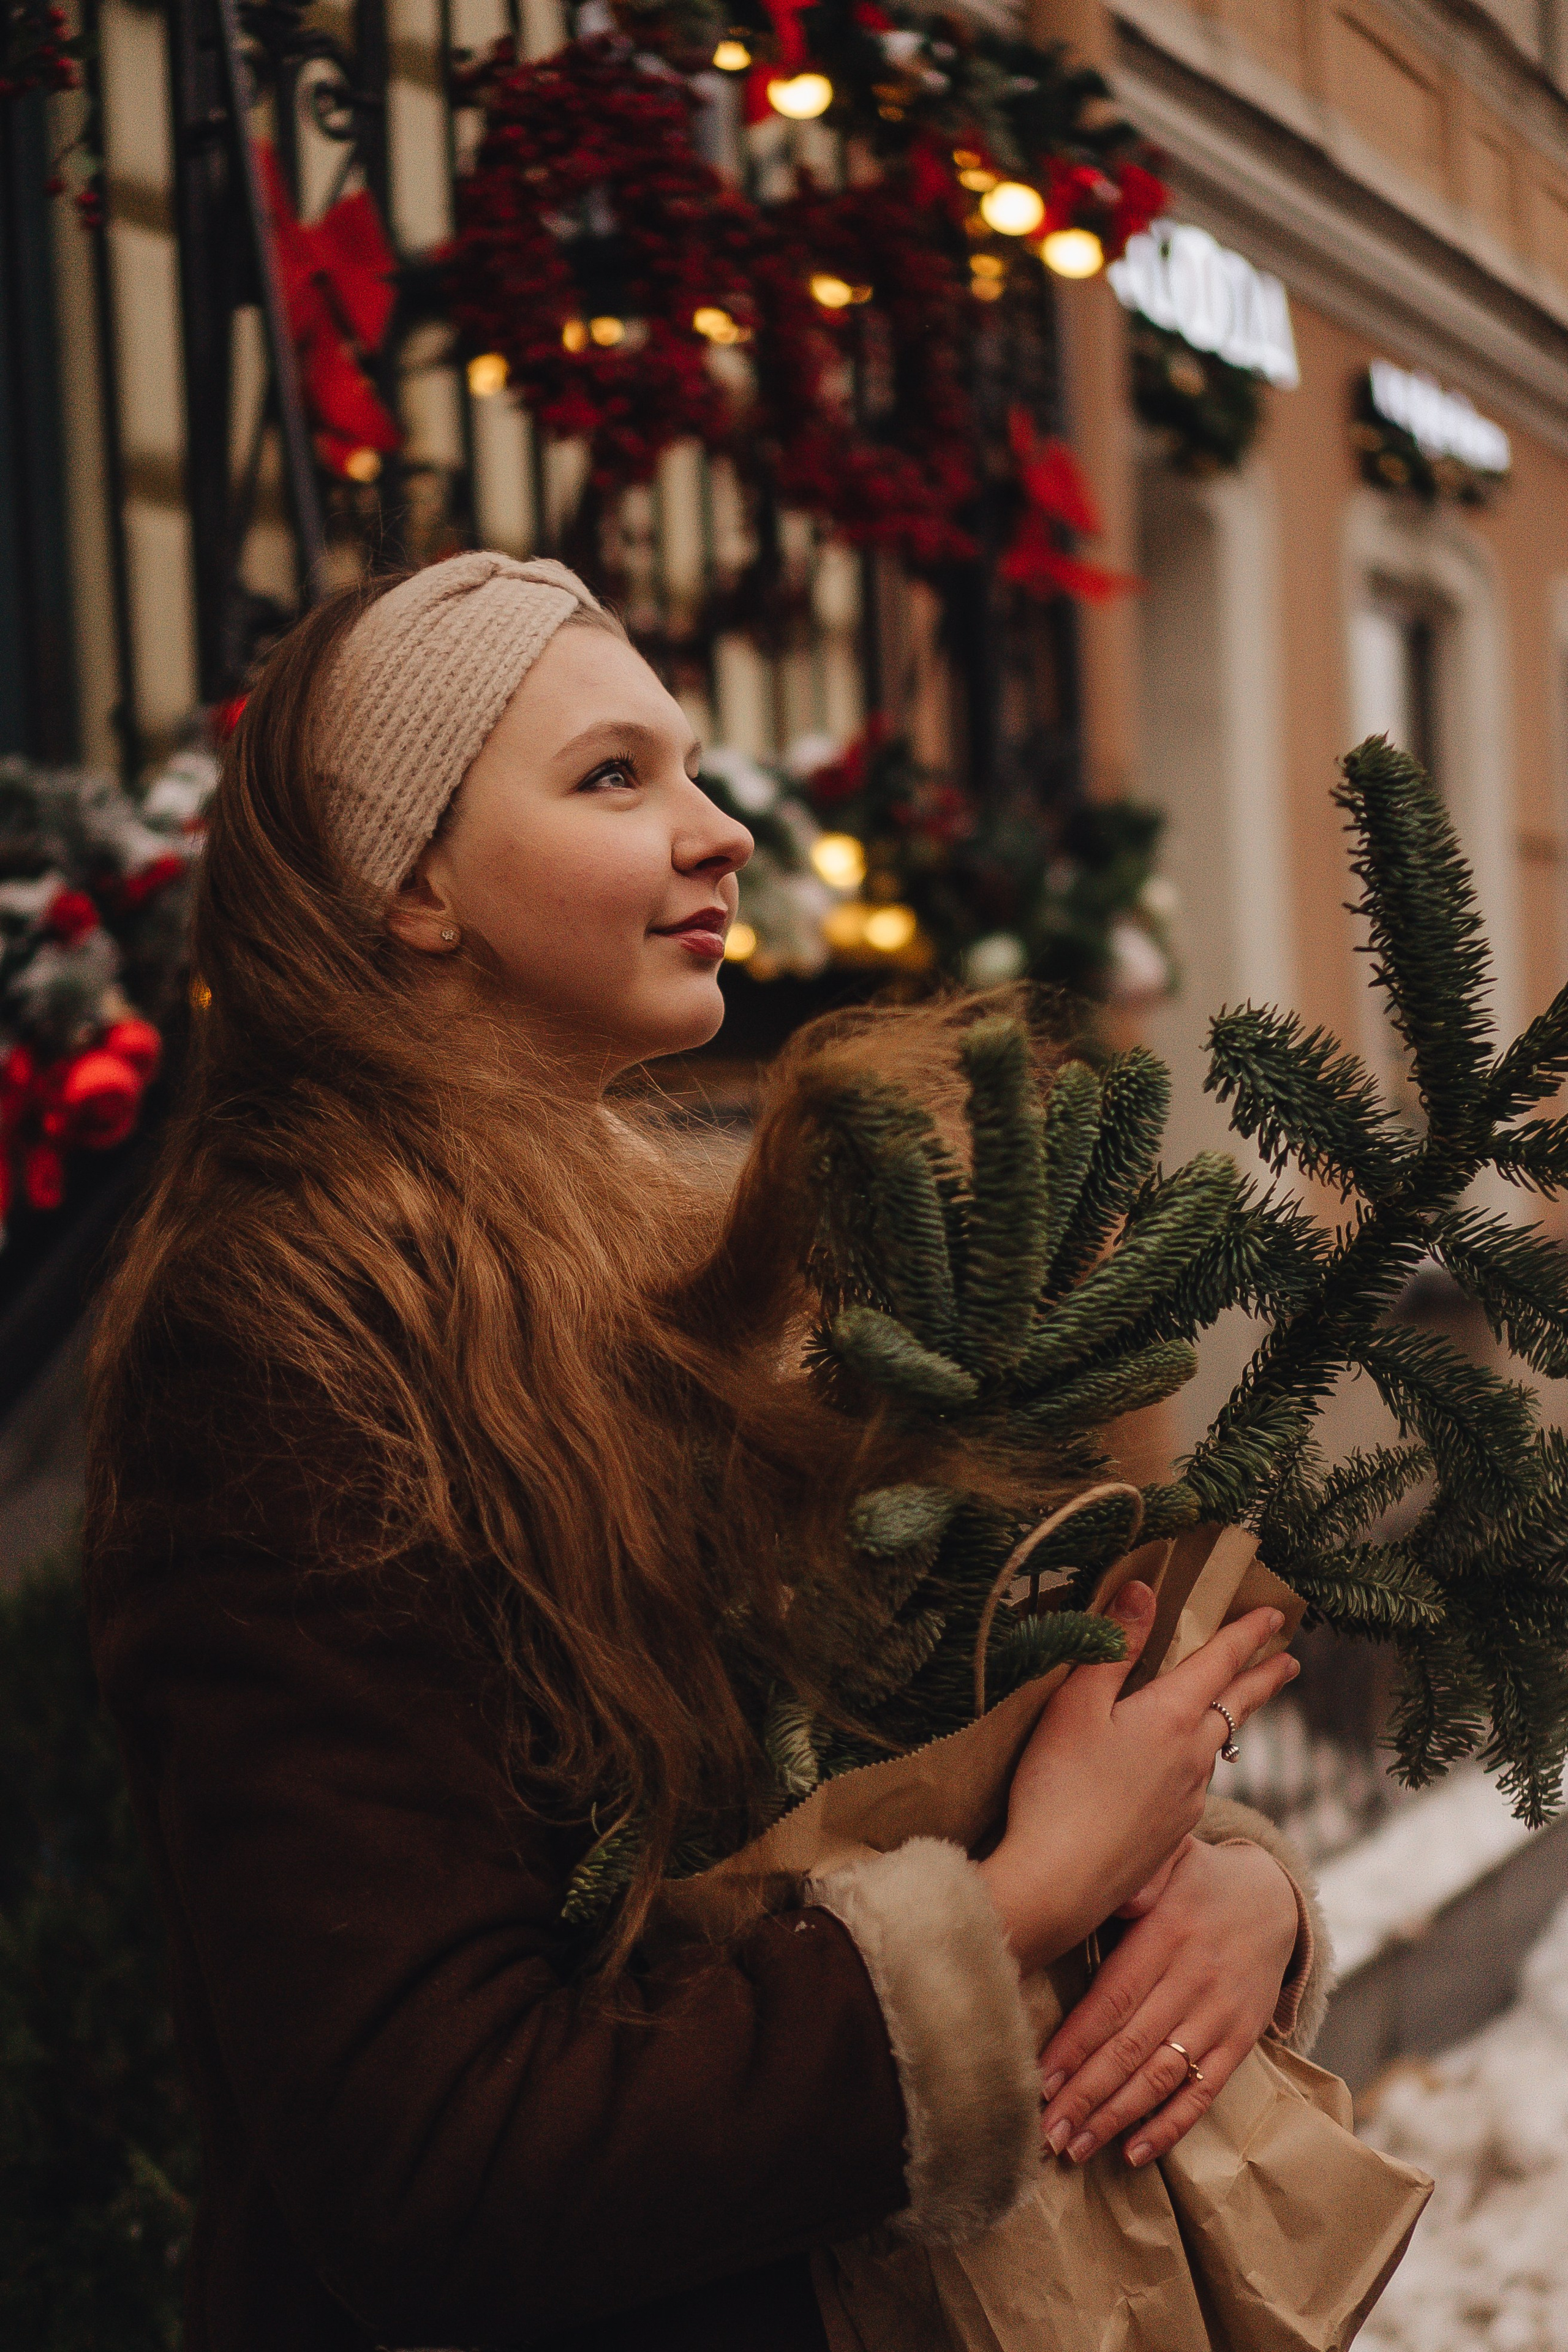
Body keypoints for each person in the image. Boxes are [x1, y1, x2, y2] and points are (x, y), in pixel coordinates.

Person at [84, 554, 1329, 2352]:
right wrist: (1025, 1905)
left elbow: (853, 1773)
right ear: (409, 886)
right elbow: (431, 2157)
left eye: (691, 764)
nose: (723, 830)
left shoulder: (670, 1281)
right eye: (615, 777)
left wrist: (1212, 1891)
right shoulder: (289, 1351)